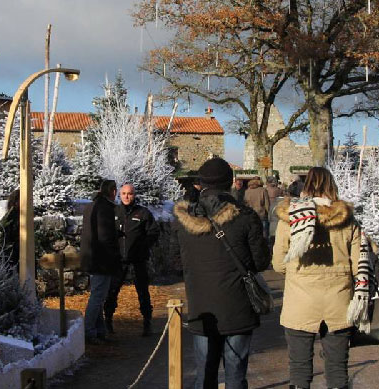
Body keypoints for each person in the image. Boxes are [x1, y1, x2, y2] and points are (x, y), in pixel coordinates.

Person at [173, 157, 270, 389]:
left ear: (201, 183)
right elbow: (260, 262)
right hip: (238, 307)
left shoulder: (185, 221)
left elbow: (177, 263)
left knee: (204, 375)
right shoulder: (245, 217)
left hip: (202, 308)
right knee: (235, 376)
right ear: (230, 182)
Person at [272, 167, 362, 389]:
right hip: (338, 302)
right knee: (337, 367)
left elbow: (277, 263)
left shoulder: (291, 219)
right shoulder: (348, 220)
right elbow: (359, 264)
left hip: (300, 301)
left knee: (299, 368)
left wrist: (296, 273)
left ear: (306, 186)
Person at [104, 183, 161, 336]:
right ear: (119, 195)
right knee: (112, 290)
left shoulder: (143, 213)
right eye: (123, 194)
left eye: (129, 193)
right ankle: (108, 320)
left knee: (142, 290)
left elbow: (154, 232)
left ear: (134, 195)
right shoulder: (113, 212)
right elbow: (105, 233)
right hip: (118, 259)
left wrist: (143, 245)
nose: (127, 196)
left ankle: (147, 322)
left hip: (138, 258)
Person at [80, 180, 122, 345]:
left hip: (91, 257)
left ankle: (98, 330)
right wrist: (115, 252)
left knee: (97, 295)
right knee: (98, 297)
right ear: (112, 191)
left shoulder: (92, 205)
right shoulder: (105, 208)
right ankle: (89, 331)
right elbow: (104, 236)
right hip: (102, 259)